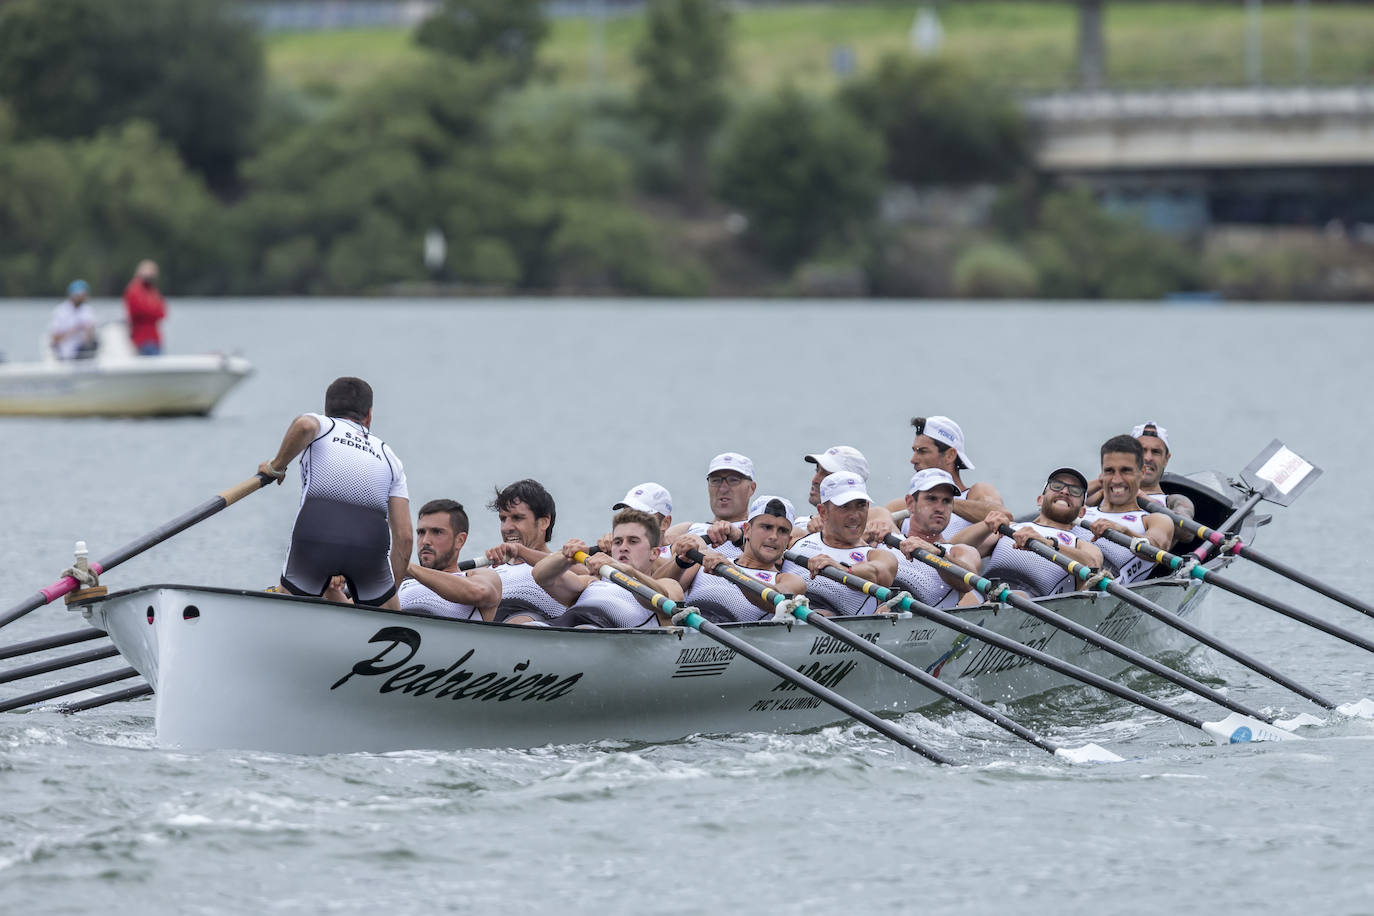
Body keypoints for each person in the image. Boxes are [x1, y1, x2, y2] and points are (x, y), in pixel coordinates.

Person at [258, 376, 412, 609]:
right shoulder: (389, 455)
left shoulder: (323, 425)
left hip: (316, 538)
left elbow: (304, 426)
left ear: (327, 410)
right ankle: (389, 627)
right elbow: (405, 537)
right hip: (369, 549)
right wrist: (392, 588)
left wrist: (276, 467)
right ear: (369, 415)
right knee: (389, 614)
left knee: (291, 610)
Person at [953, 467, 1104, 598]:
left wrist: (1048, 544)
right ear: (1040, 500)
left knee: (1017, 596)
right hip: (986, 588)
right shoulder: (1010, 528)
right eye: (1057, 486)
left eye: (1075, 491)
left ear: (1082, 512)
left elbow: (1092, 566)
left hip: (1033, 600)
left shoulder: (1079, 543)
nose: (1064, 492)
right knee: (969, 596)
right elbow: (954, 549)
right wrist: (985, 525)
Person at [665, 495, 808, 623]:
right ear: (747, 530)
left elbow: (778, 602)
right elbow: (662, 591)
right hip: (689, 636)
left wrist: (734, 573)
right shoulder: (707, 561)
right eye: (766, 527)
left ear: (788, 540)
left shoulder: (789, 580)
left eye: (782, 531)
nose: (774, 537)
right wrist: (679, 561)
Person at [530, 509, 684, 628]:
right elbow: (540, 576)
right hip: (562, 630)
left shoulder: (667, 584)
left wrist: (629, 572)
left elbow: (667, 603)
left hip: (598, 637)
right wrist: (565, 557)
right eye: (617, 542)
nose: (623, 547)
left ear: (654, 553)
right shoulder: (589, 582)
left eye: (633, 541)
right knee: (529, 627)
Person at [869, 415, 1004, 543]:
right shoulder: (902, 505)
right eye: (914, 451)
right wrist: (879, 516)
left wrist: (943, 502)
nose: (913, 460)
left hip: (961, 562)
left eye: (922, 451)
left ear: (950, 455)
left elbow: (1002, 516)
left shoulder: (977, 492)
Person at [790, 472, 899, 616]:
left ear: (868, 506)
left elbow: (878, 574)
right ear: (823, 512)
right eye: (845, 507)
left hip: (836, 626)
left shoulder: (879, 555)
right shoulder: (797, 540)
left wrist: (840, 569)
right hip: (791, 615)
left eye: (860, 506)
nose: (854, 516)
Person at [1082, 435, 1176, 584]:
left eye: (1126, 471)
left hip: (1104, 591)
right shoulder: (1081, 512)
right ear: (1101, 474)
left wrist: (1124, 531)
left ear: (1142, 472)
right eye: (1109, 471)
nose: (1116, 480)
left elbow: (1155, 550)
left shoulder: (1155, 520)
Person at [888, 469, 983, 609]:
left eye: (947, 501)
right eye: (931, 499)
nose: (940, 508)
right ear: (910, 503)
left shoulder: (959, 551)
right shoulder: (887, 541)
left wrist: (938, 554)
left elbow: (968, 583)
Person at [397, 499, 501, 620]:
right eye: (421, 532)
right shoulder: (403, 582)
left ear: (459, 540)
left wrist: (408, 567)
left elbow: (479, 592)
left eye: (437, 532)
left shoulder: (481, 575)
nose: (425, 541)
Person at [483, 479, 567, 623]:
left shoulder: (564, 563)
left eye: (517, 518)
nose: (506, 528)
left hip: (534, 624)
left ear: (544, 522)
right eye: (503, 519)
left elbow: (586, 573)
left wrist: (521, 552)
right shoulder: (488, 568)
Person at [657, 452, 758, 570]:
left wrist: (738, 537)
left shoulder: (766, 530)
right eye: (716, 480)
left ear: (752, 488)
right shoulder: (687, 528)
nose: (723, 488)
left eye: (733, 480)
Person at [791, 445, 869, 539]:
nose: (814, 480)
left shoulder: (871, 534)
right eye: (817, 470)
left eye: (826, 475)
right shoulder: (798, 522)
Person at [601, 482, 673, 559]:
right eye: (626, 514)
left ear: (665, 523)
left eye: (641, 516)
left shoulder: (679, 558)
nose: (630, 522)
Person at [123, 259, 166, 355]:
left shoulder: (153, 291)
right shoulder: (134, 289)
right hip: (141, 338)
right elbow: (138, 310)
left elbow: (162, 312)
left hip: (155, 338)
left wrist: (151, 310)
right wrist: (152, 310)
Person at [48, 280, 98, 360]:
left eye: (83, 294)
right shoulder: (60, 311)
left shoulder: (88, 310)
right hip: (64, 353)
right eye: (79, 294)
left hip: (83, 353)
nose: (82, 297)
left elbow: (90, 337)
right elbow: (54, 338)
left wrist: (88, 332)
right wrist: (74, 330)